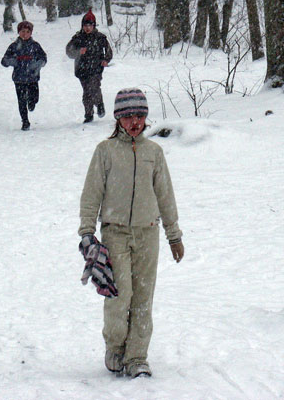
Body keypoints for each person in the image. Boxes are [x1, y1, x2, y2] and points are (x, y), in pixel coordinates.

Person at [78, 88, 185, 378]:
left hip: (148, 233)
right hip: (116, 234)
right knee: (119, 294)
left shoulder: (154, 153)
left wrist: (174, 235)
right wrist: (87, 232)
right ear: (118, 119)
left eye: (139, 115)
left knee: (142, 297)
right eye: (128, 116)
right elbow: (91, 193)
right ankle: (116, 349)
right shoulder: (106, 151)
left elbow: (165, 196)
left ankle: (137, 356)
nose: (135, 121)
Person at [66, 9, 113, 123]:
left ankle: (99, 103)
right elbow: (68, 51)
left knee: (94, 88)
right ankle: (89, 113)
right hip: (81, 69)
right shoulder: (77, 38)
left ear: (94, 26)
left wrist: (106, 60)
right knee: (87, 91)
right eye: (85, 25)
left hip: (96, 68)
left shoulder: (100, 37)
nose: (87, 28)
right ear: (82, 26)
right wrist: (78, 52)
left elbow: (108, 50)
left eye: (90, 25)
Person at [1, 21, 47, 131]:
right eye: (22, 31)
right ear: (18, 32)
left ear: (31, 33)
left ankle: (32, 103)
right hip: (19, 78)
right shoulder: (13, 46)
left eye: (27, 32)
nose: (25, 34)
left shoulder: (35, 46)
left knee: (34, 98)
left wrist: (36, 65)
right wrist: (13, 62)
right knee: (21, 101)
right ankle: (25, 121)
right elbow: (4, 60)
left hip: (33, 78)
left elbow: (44, 58)